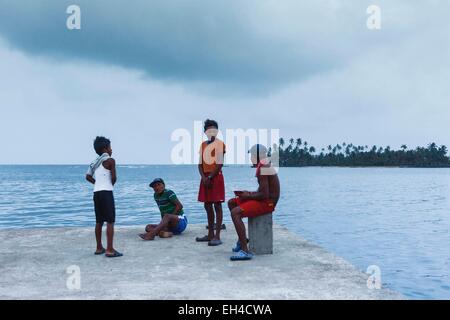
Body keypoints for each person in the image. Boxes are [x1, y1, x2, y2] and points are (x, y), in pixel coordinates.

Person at [228, 144, 280, 261]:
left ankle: (245, 251)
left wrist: (249, 195)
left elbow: (264, 195)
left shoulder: (263, 167)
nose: (251, 158)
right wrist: (248, 194)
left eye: (252, 155)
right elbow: (263, 190)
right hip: (264, 199)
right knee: (231, 203)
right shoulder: (264, 165)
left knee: (235, 213)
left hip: (268, 203)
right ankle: (242, 241)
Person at [86, 136, 123, 258]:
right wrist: (110, 184)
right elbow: (114, 178)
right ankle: (110, 249)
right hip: (106, 192)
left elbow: (88, 177)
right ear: (105, 148)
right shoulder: (110, 160)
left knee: (99, 221)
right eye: (110, 147)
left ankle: (98, 247)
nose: (111, 150)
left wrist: (97, 183)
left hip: (96, 193)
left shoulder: (94, 162)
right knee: (110, 221)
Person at [195, 119, 226, 246]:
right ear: (205, 132)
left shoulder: (220, 144)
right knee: (207, 205)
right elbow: (199, 164)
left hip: (216, 177)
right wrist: (203, 177)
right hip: (205, 178)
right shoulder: (203, 145)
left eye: (214, 130)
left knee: (217, 206)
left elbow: (219, 164)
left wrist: (210, 177)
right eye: (209, 130)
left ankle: (217, 236)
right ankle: (210, 234)